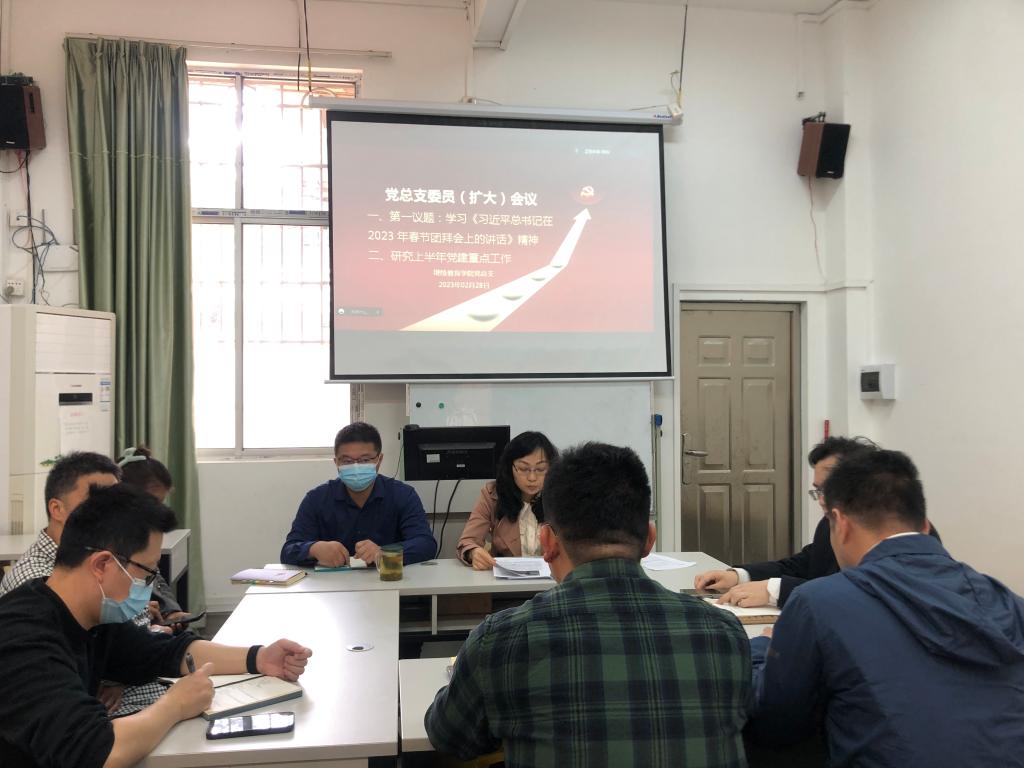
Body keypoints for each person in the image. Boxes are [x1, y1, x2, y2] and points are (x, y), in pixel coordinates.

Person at [426, 442, 751, 767]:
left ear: (548, 542)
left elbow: (448, 736)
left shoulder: (500, 640)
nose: (531, 476)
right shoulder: (724, 633)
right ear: (649, 540)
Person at [0, 483, 312, 768]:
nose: (149, 586)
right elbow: (98, 752)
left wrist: (259, 658)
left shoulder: (91, 616)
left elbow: (167, 652)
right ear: (102, 564)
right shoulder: (23, 636)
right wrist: (175, 705)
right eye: (146, 572)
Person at [747, 449, 1024, 765]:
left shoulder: (818, 602)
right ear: (925, 526)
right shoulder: (1006, 600)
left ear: (841, 523)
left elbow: (776, 724)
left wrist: (762, 648)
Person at [693, 437, 879, 608]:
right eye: (818, 490)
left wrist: (774, 590)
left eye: (828, 489)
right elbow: (802, 565)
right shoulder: (828, 523)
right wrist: (738, 576)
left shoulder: (880, 531)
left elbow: (853, 592)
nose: (822, 500)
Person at [281, 421, 436, 567]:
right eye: (347, 461)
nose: (356, 467)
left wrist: (384, 553)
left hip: (387, 580)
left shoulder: (402, 495)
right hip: (335, 584)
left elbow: (426, 544)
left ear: (379, 460)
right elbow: (288, 550)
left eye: (364, 460)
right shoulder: (317, 499)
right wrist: (313, 549)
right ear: (336, 463)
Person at [0, 451, 120, 596]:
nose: (110, 512)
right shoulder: (37, 582)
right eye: (96, 501)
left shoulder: (91, 556)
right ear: (57, 509)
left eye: (116, 502)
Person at [456, 430, 558, 569]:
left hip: (554, 578)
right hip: (507, 578)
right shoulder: (493, 495)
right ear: (510, 468)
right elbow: (467, 541)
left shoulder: (560, 495)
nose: (532, 478)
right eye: (523, 468)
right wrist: (473, 552)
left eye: (540, 469)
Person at [117, 445, 189, 627]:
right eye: (153, 502)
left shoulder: (141, 530)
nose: (157, 510)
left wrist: (170, 610)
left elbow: (152, 575)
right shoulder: (108, 538)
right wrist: (138, 611)